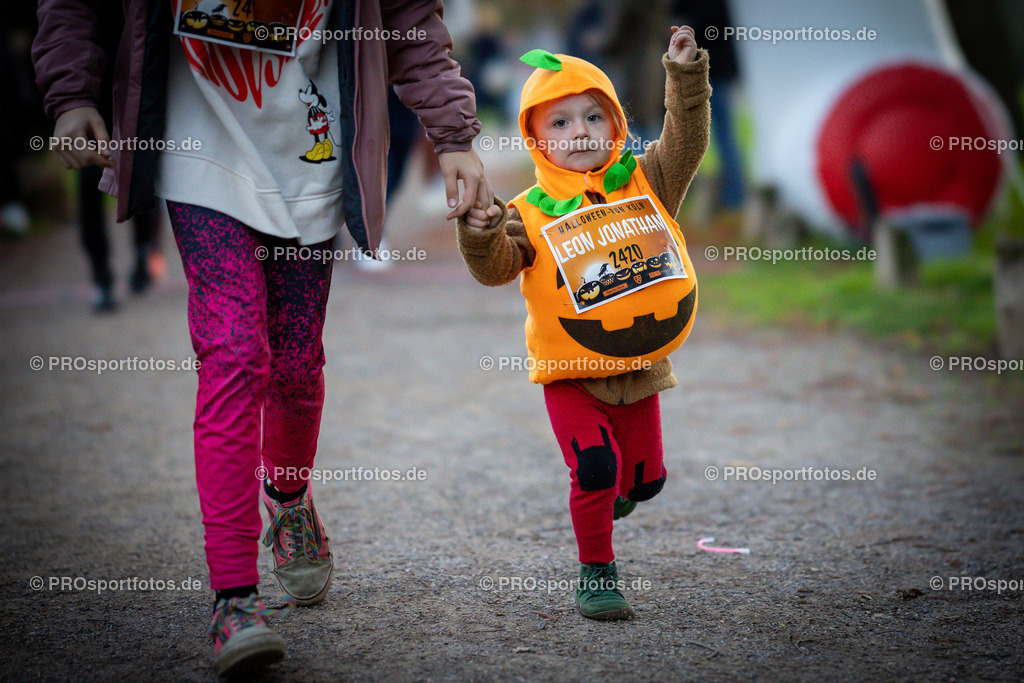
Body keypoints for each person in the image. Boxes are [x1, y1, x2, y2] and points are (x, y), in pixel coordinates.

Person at [34, 0, 492, 676]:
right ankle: (233, 598)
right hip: (200, 151)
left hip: (312, 155)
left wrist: (453, 135)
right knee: (233, 351)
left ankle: (287, 496)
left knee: (297, 367)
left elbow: (408, 18)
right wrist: (72, 93)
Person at [457, 26, 709, 620]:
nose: (580, 134)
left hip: (638, 368)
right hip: (570, 372)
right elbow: (494, 270)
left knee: (644, 480)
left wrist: (684, 73)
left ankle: (620, 490)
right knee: (595, 468)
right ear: (536, 141)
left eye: (594, 117)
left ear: (616, 125)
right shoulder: (527, 212)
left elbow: (689, 140)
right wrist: (482, 230)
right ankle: (597, 572)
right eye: (561, 124)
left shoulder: (648, 182)